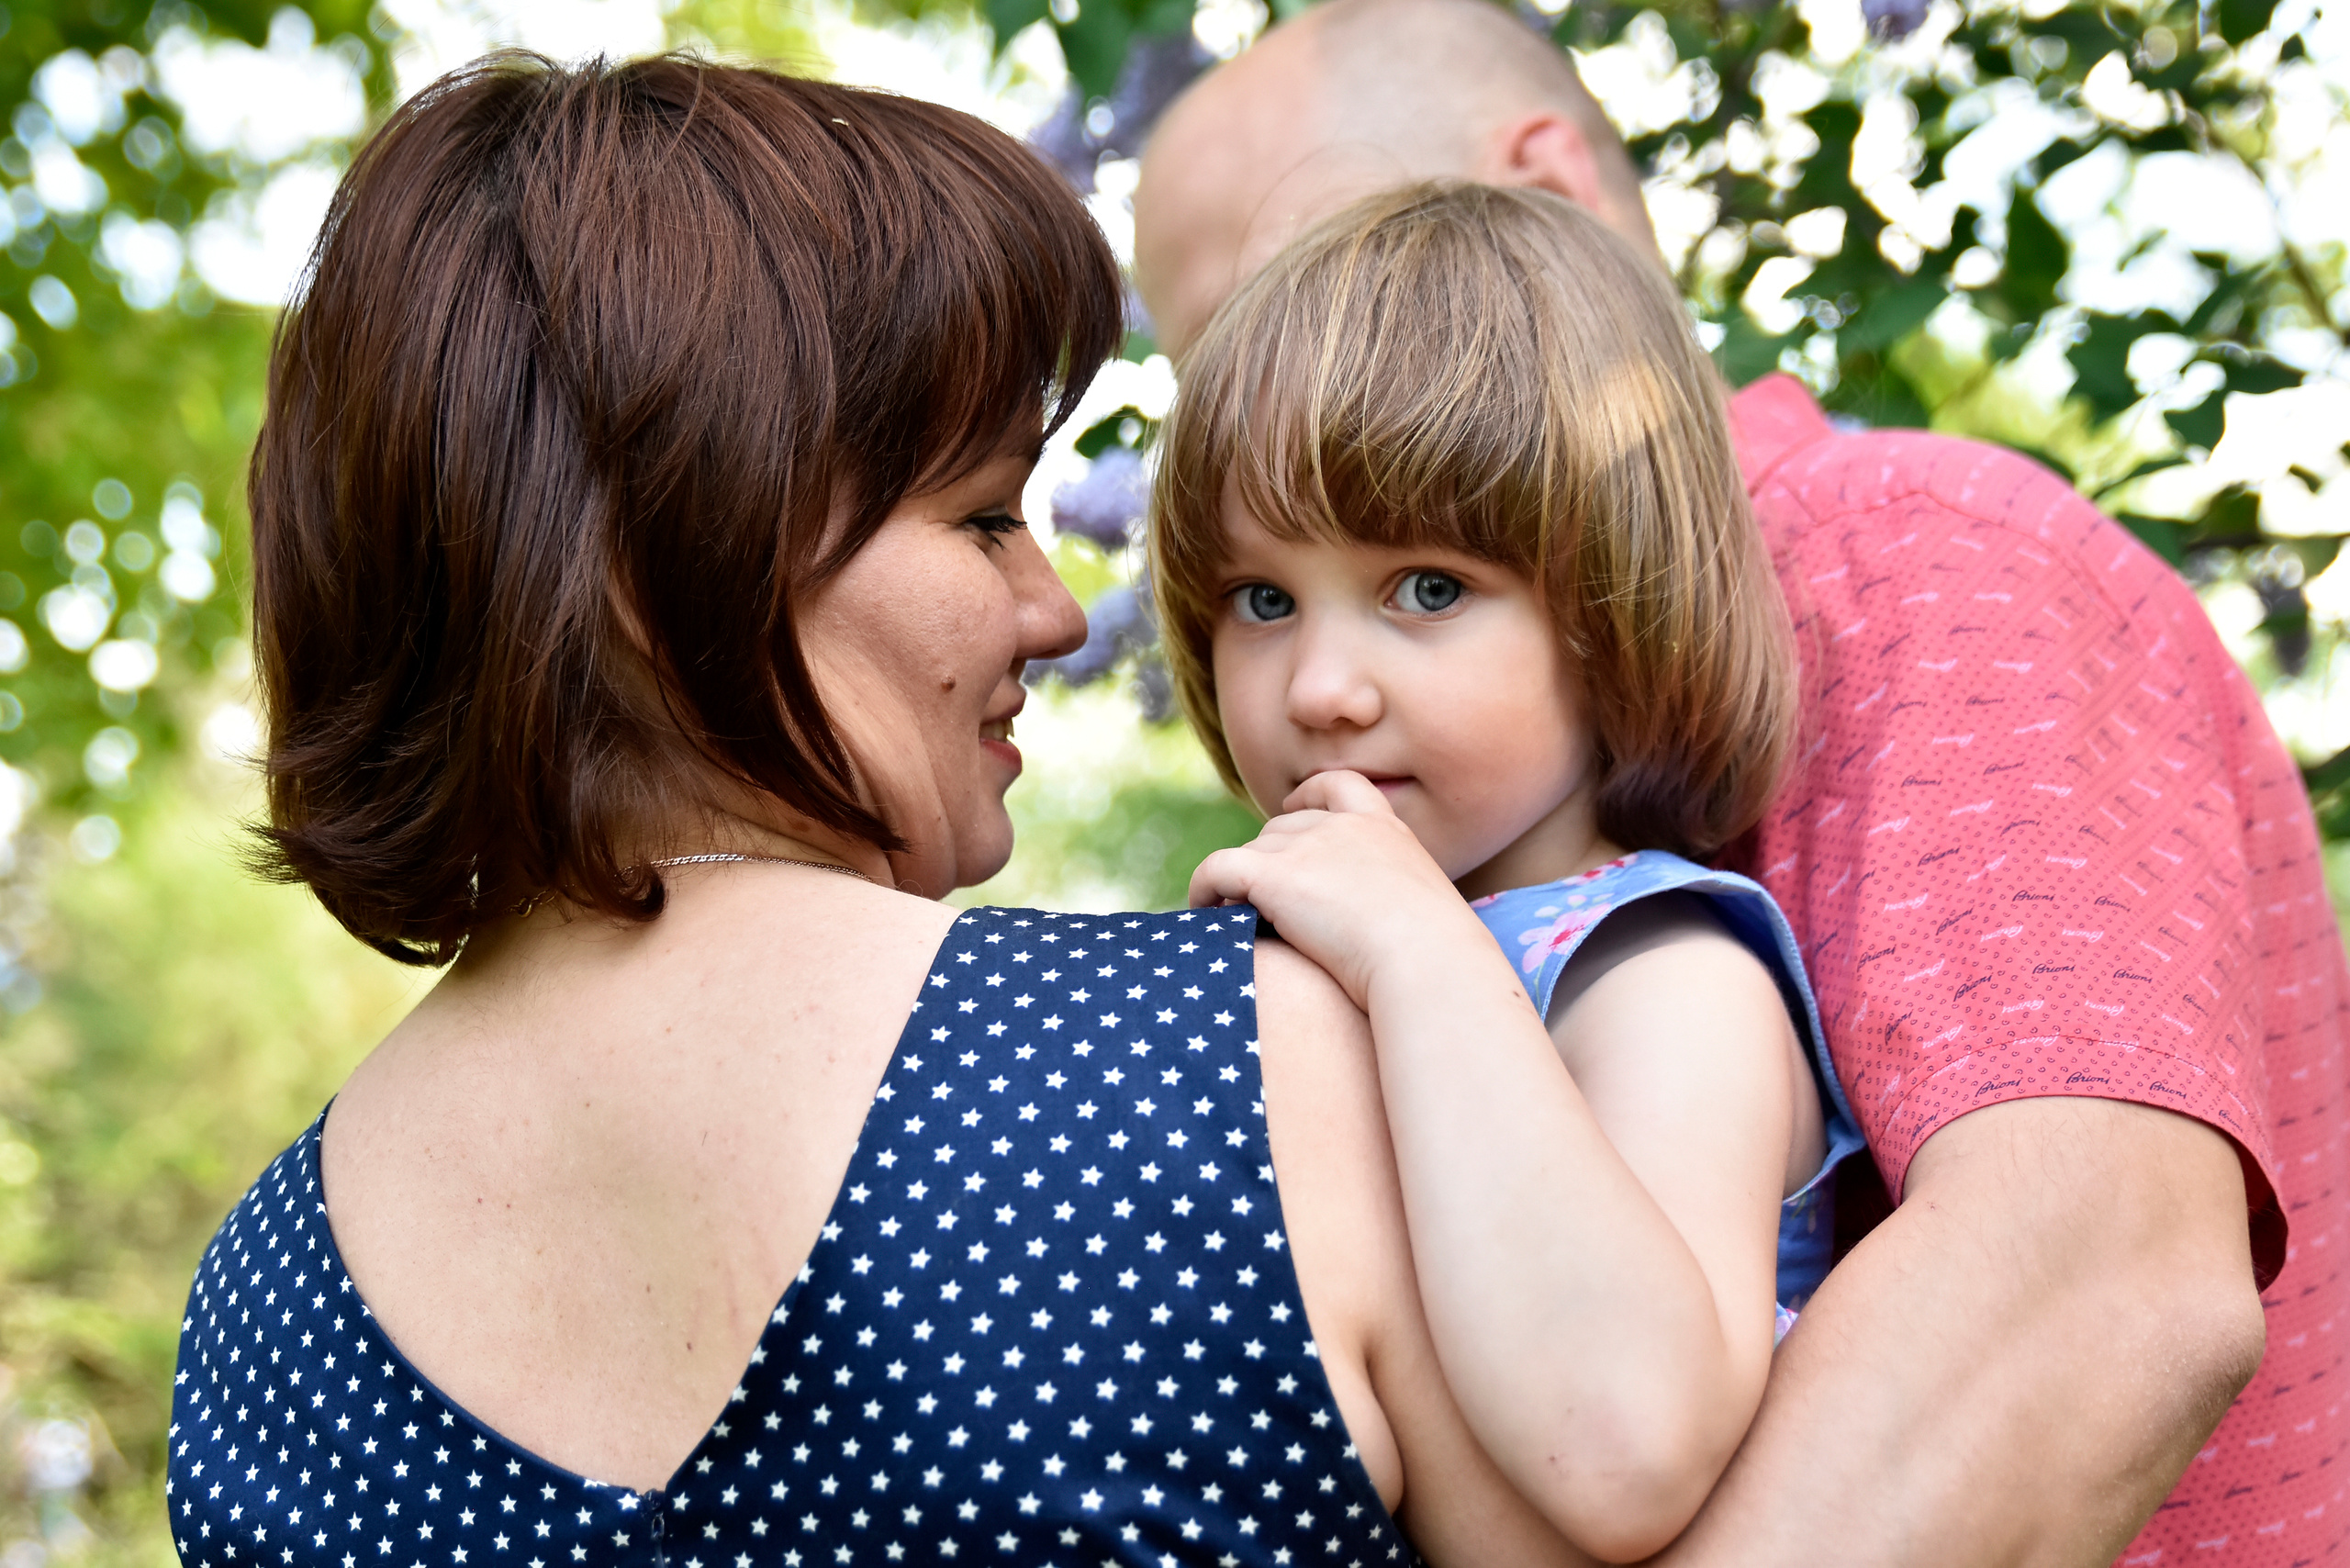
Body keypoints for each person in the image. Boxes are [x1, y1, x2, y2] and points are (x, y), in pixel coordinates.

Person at [168, 51, 1679, 1568]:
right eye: (981, 517)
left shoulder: (251, 1323)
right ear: (663, 554)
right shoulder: (1245, 1068)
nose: (1060, 611)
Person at [1132, 2, 2348, 1563]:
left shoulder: (1907, 553)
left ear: (1550, 201)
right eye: (1257, 586)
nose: (1325, 682)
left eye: (1350, 281)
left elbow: (2095, 1279)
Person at [1151, 179, 1866, 1559]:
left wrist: (1419, 952)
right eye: (1261, 599)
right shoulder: (1325, 936)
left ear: (1615, 609)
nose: (1323, 686)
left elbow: (1624, 1447)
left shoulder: (1662, 973)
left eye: (1428, 589)